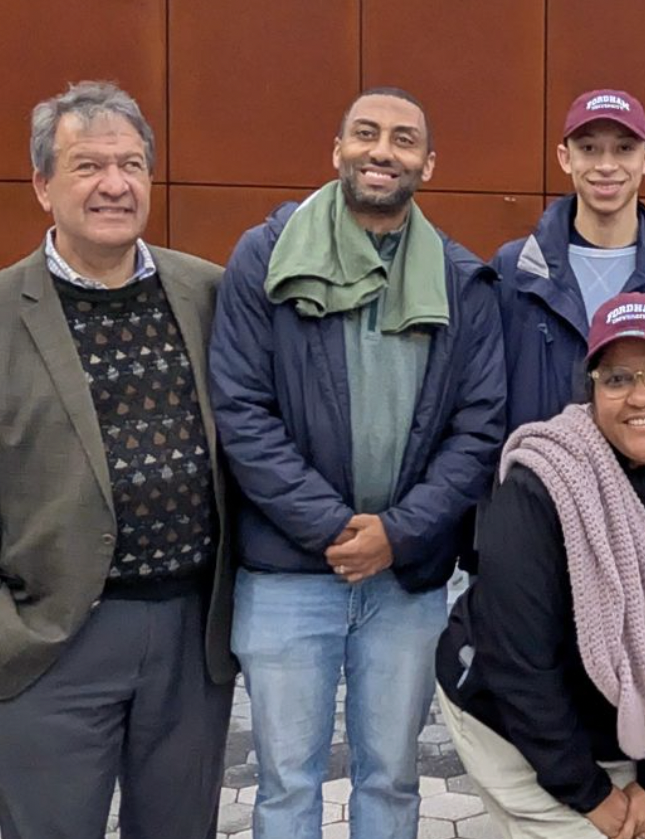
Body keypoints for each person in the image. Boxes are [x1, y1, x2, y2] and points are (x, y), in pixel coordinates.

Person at [0, 81, 235, 839]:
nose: (114, 185)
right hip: (52, 635)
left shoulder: (208, 293)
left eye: (130, 165)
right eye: (87, 166)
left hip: (192, 635)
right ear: (41, 184)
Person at [210, 87, 506, 839]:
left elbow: (479, 429)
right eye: (366, 134)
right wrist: (337, 529)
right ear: (336, 151)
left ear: (428, 164)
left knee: (392, 780)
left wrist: (398, 534)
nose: (384, 150)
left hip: (405, 581)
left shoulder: (462, 281)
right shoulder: (265, 258)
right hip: (286, 572)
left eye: (404, 139)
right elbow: (241, 411)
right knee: (283, 784)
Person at [436, 292, 645, 839]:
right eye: (617, 378)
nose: (642, 397)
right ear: (591, 391)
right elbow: (522, 665)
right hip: (513, 719)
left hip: (638, 728)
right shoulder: (541, 484)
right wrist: (589, 796)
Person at [495, 88, 645, 430]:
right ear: (564, 157)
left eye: (624, 149)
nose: (606, 166)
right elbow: (488, 400)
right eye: (588, 149)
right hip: (534, 477)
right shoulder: (515, 269)